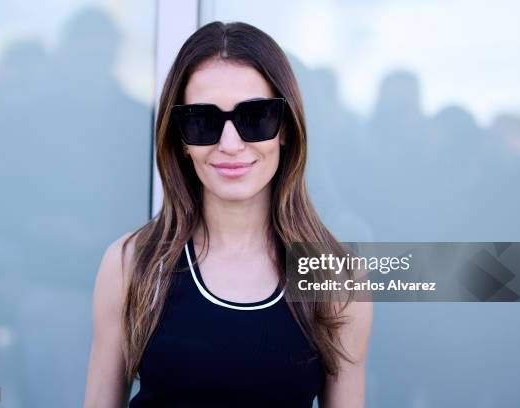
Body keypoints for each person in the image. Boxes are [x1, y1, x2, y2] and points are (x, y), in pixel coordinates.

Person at [84, 21, 372, 408]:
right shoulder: (132, 264)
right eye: (203, 122)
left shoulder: (335, 277)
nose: (230, 144)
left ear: (285, 129)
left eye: (255, 118)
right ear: (181, 140)